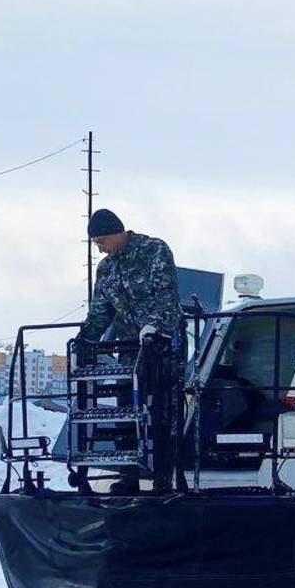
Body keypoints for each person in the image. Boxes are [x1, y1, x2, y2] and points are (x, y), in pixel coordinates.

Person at [82, 208, 186, 489]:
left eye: (102, 241)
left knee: (163, 412)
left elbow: (166, 296)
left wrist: (154, 328)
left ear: (118, 232)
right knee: (126, 411)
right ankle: (128, 476)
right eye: (96, 244)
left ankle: (165, 478)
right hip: (129, 349)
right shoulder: (106, 269)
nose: (101, 249)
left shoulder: (154, 251)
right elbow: (100, 313)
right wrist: (84, 340)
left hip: (163, 345)